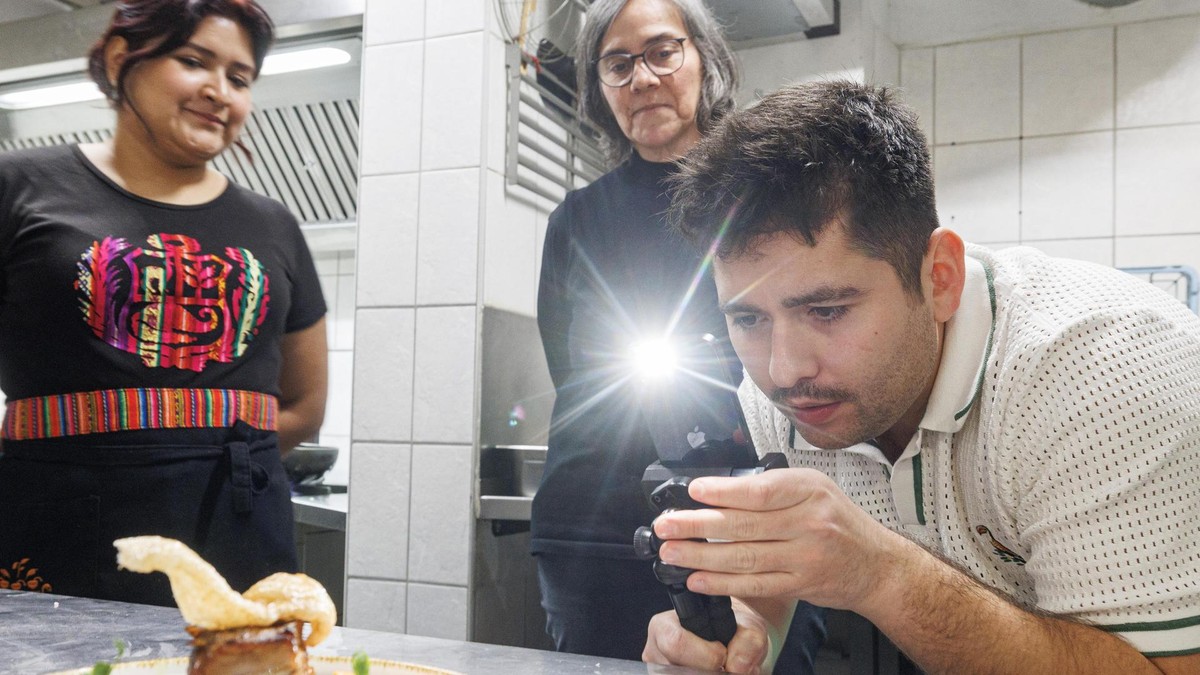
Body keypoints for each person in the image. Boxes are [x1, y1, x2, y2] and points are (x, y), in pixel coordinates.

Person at [639, 79, 1200, 674]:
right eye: (749, 318)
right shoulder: (781, 392)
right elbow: (772, 580)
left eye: (827, 311)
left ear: (940, 277)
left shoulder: (1100, 375)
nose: (783, 371)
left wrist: (882, 573)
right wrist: (743, 633)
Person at [0, 0, 328, 607]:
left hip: (239, 524)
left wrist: (196, 451)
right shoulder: (19, 187)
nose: (219, 91)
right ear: (125, 60)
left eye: (239, 77)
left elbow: (305, 405)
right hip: (61, 521)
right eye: (193, 61)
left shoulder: (274, 224)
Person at [533, 0, 826, 665]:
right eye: (617, 64)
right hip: (592, 531)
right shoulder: (576, 220)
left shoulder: (765, 201)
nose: (641, 78)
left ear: (704, 59)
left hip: (747, 521)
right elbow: (567, 368)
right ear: (599, 89)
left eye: (663, 51)